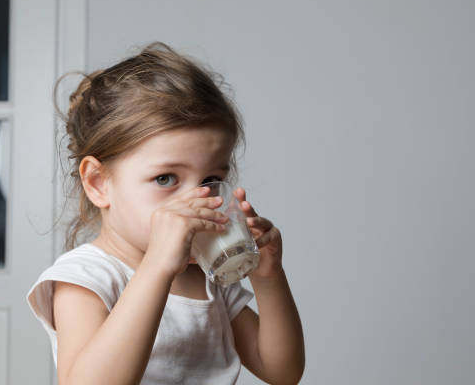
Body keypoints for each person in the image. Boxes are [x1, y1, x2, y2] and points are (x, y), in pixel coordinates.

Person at [26, 42, 305, 384]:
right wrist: (157, 266)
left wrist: (269, 279)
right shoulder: (87, 278)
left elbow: (282, 371)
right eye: (165, 178)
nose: (196, 199)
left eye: (211, 179)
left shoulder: (208, 274)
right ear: (98, 183)